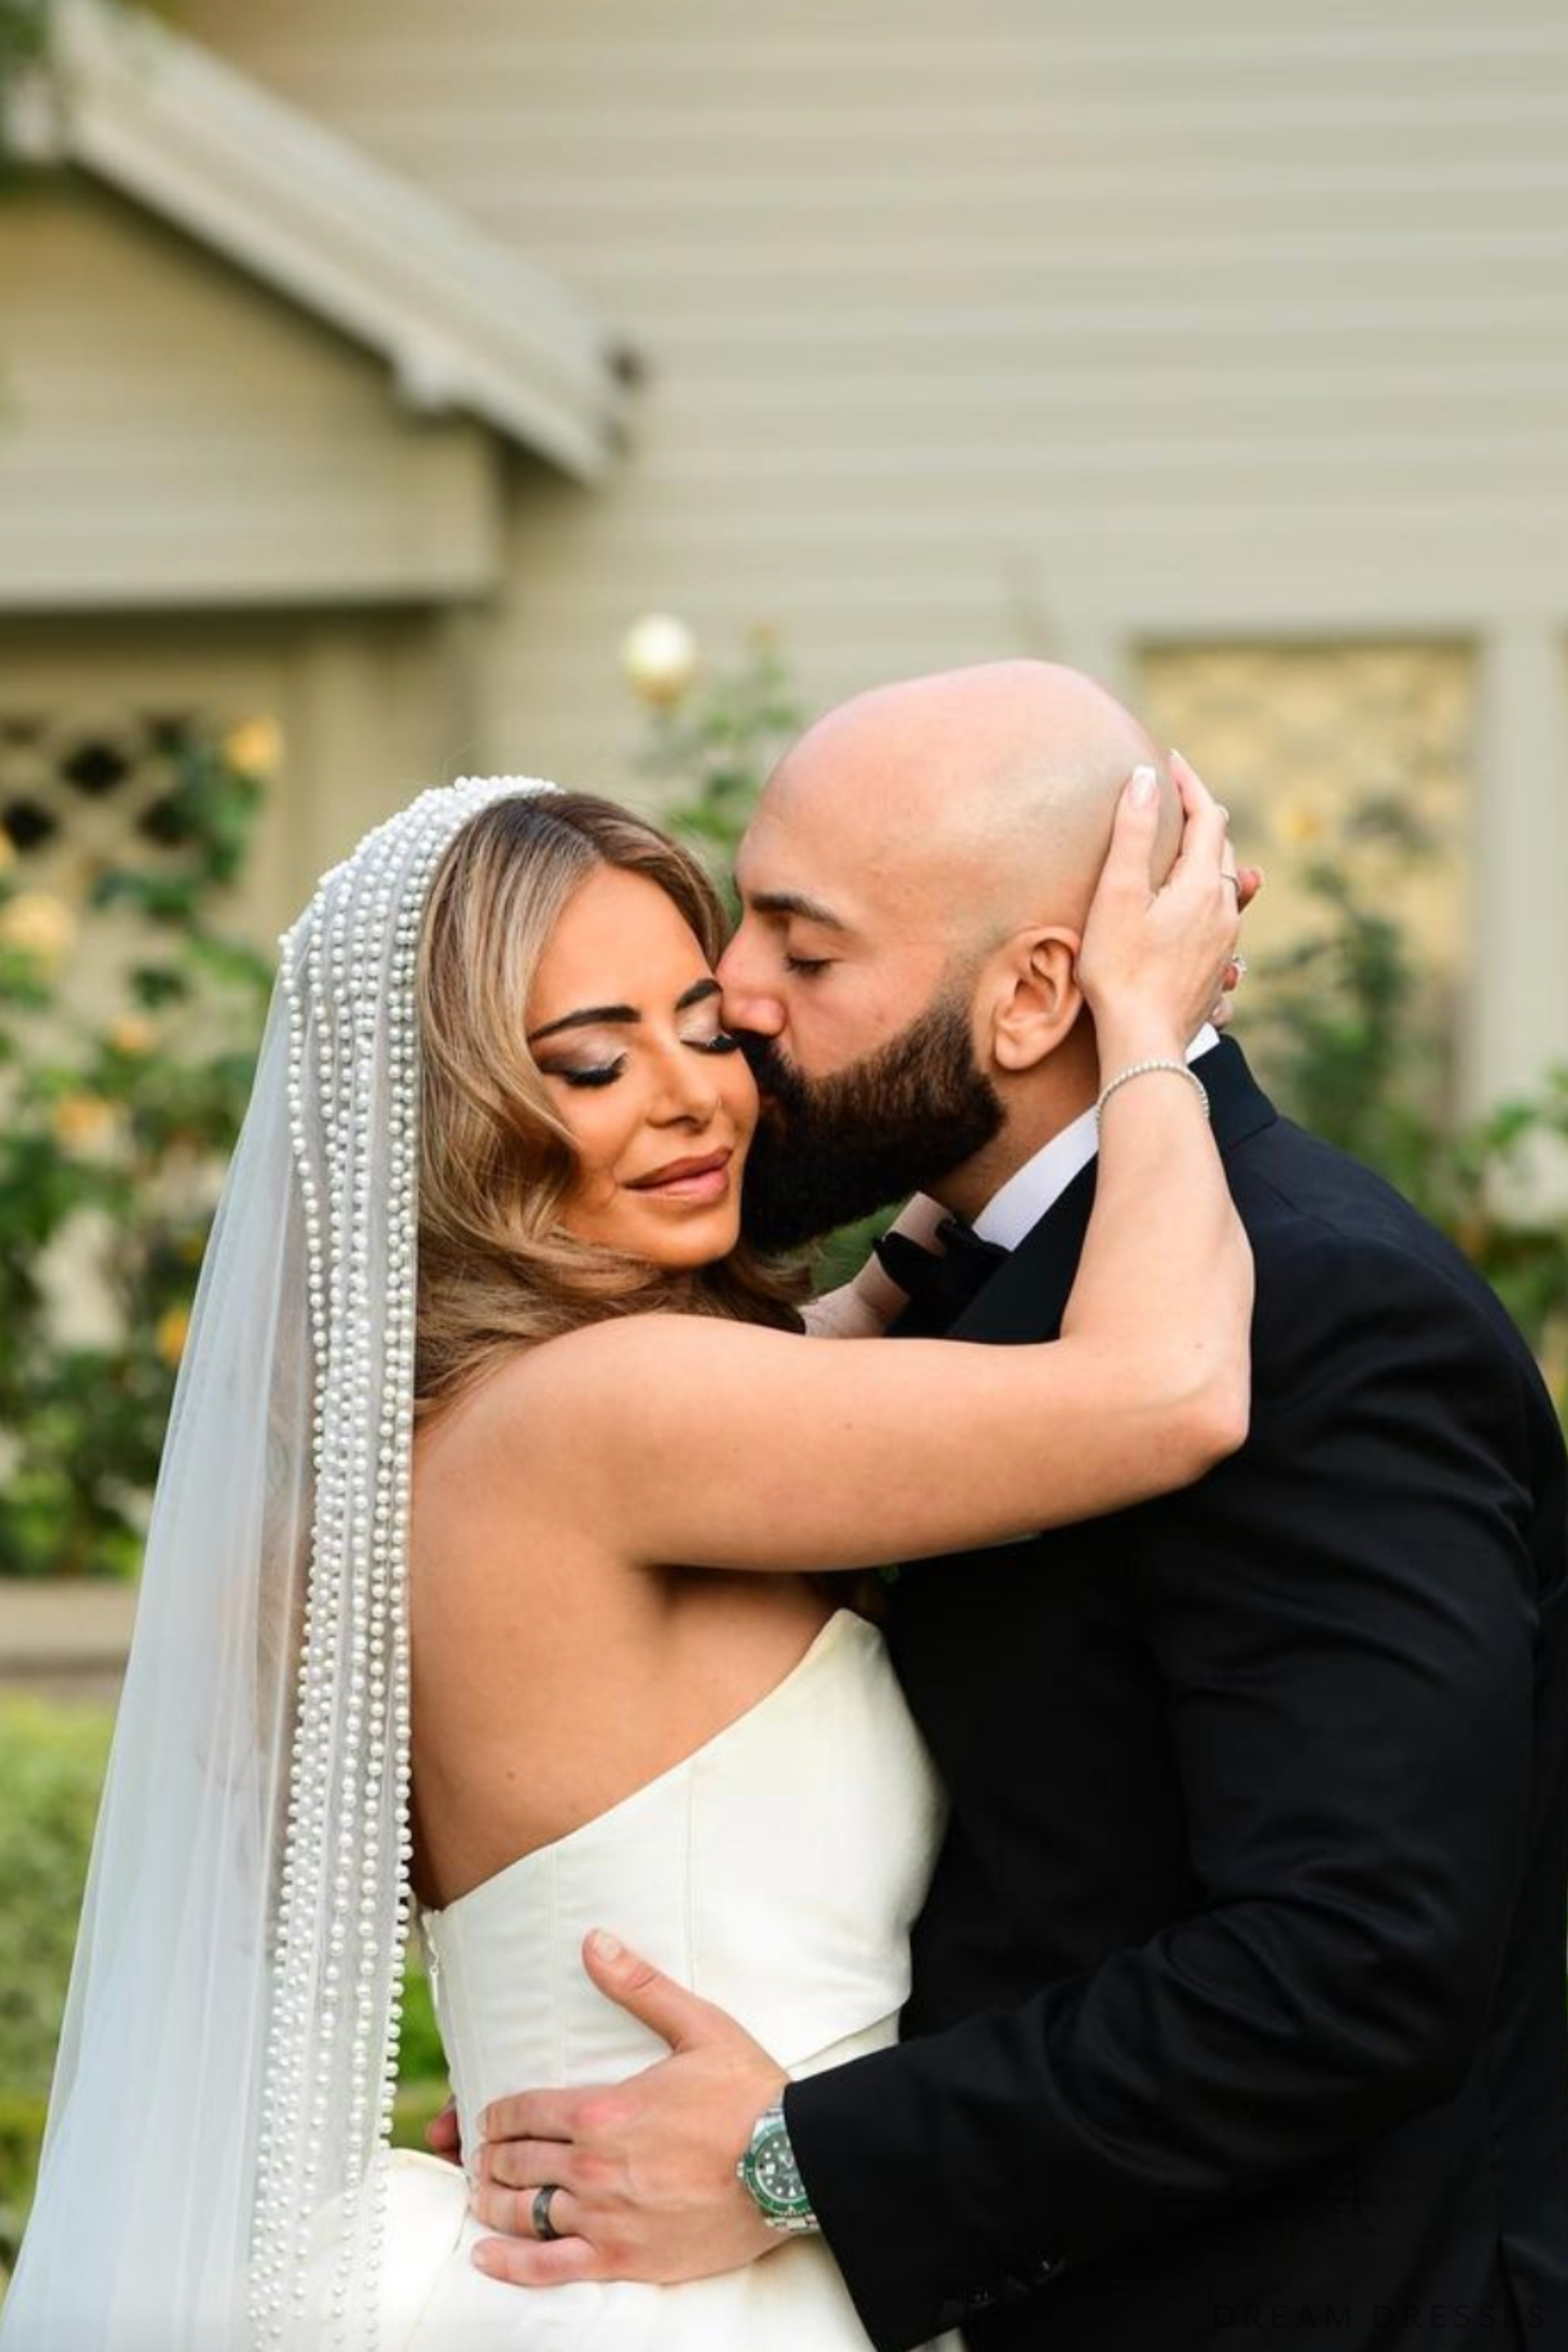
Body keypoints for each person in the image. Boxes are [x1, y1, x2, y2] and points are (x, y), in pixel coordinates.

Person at [0, 760, 1247, 2350]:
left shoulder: (458, 1437)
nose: (694, 1095)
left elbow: (849, 1333)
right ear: (456, 1119)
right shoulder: (614, 1416)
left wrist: (966, 1118)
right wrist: (1146, 1029)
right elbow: (1168, 1390)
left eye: (709, 1027)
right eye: (593, 1063)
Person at [468, 664, 1568, 2352]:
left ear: (1038, 989)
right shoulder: (980, 1296)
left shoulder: (1315, 1308)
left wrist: (792, 2165)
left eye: (801, 948)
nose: (733, 996)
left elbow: (1354, 1964)